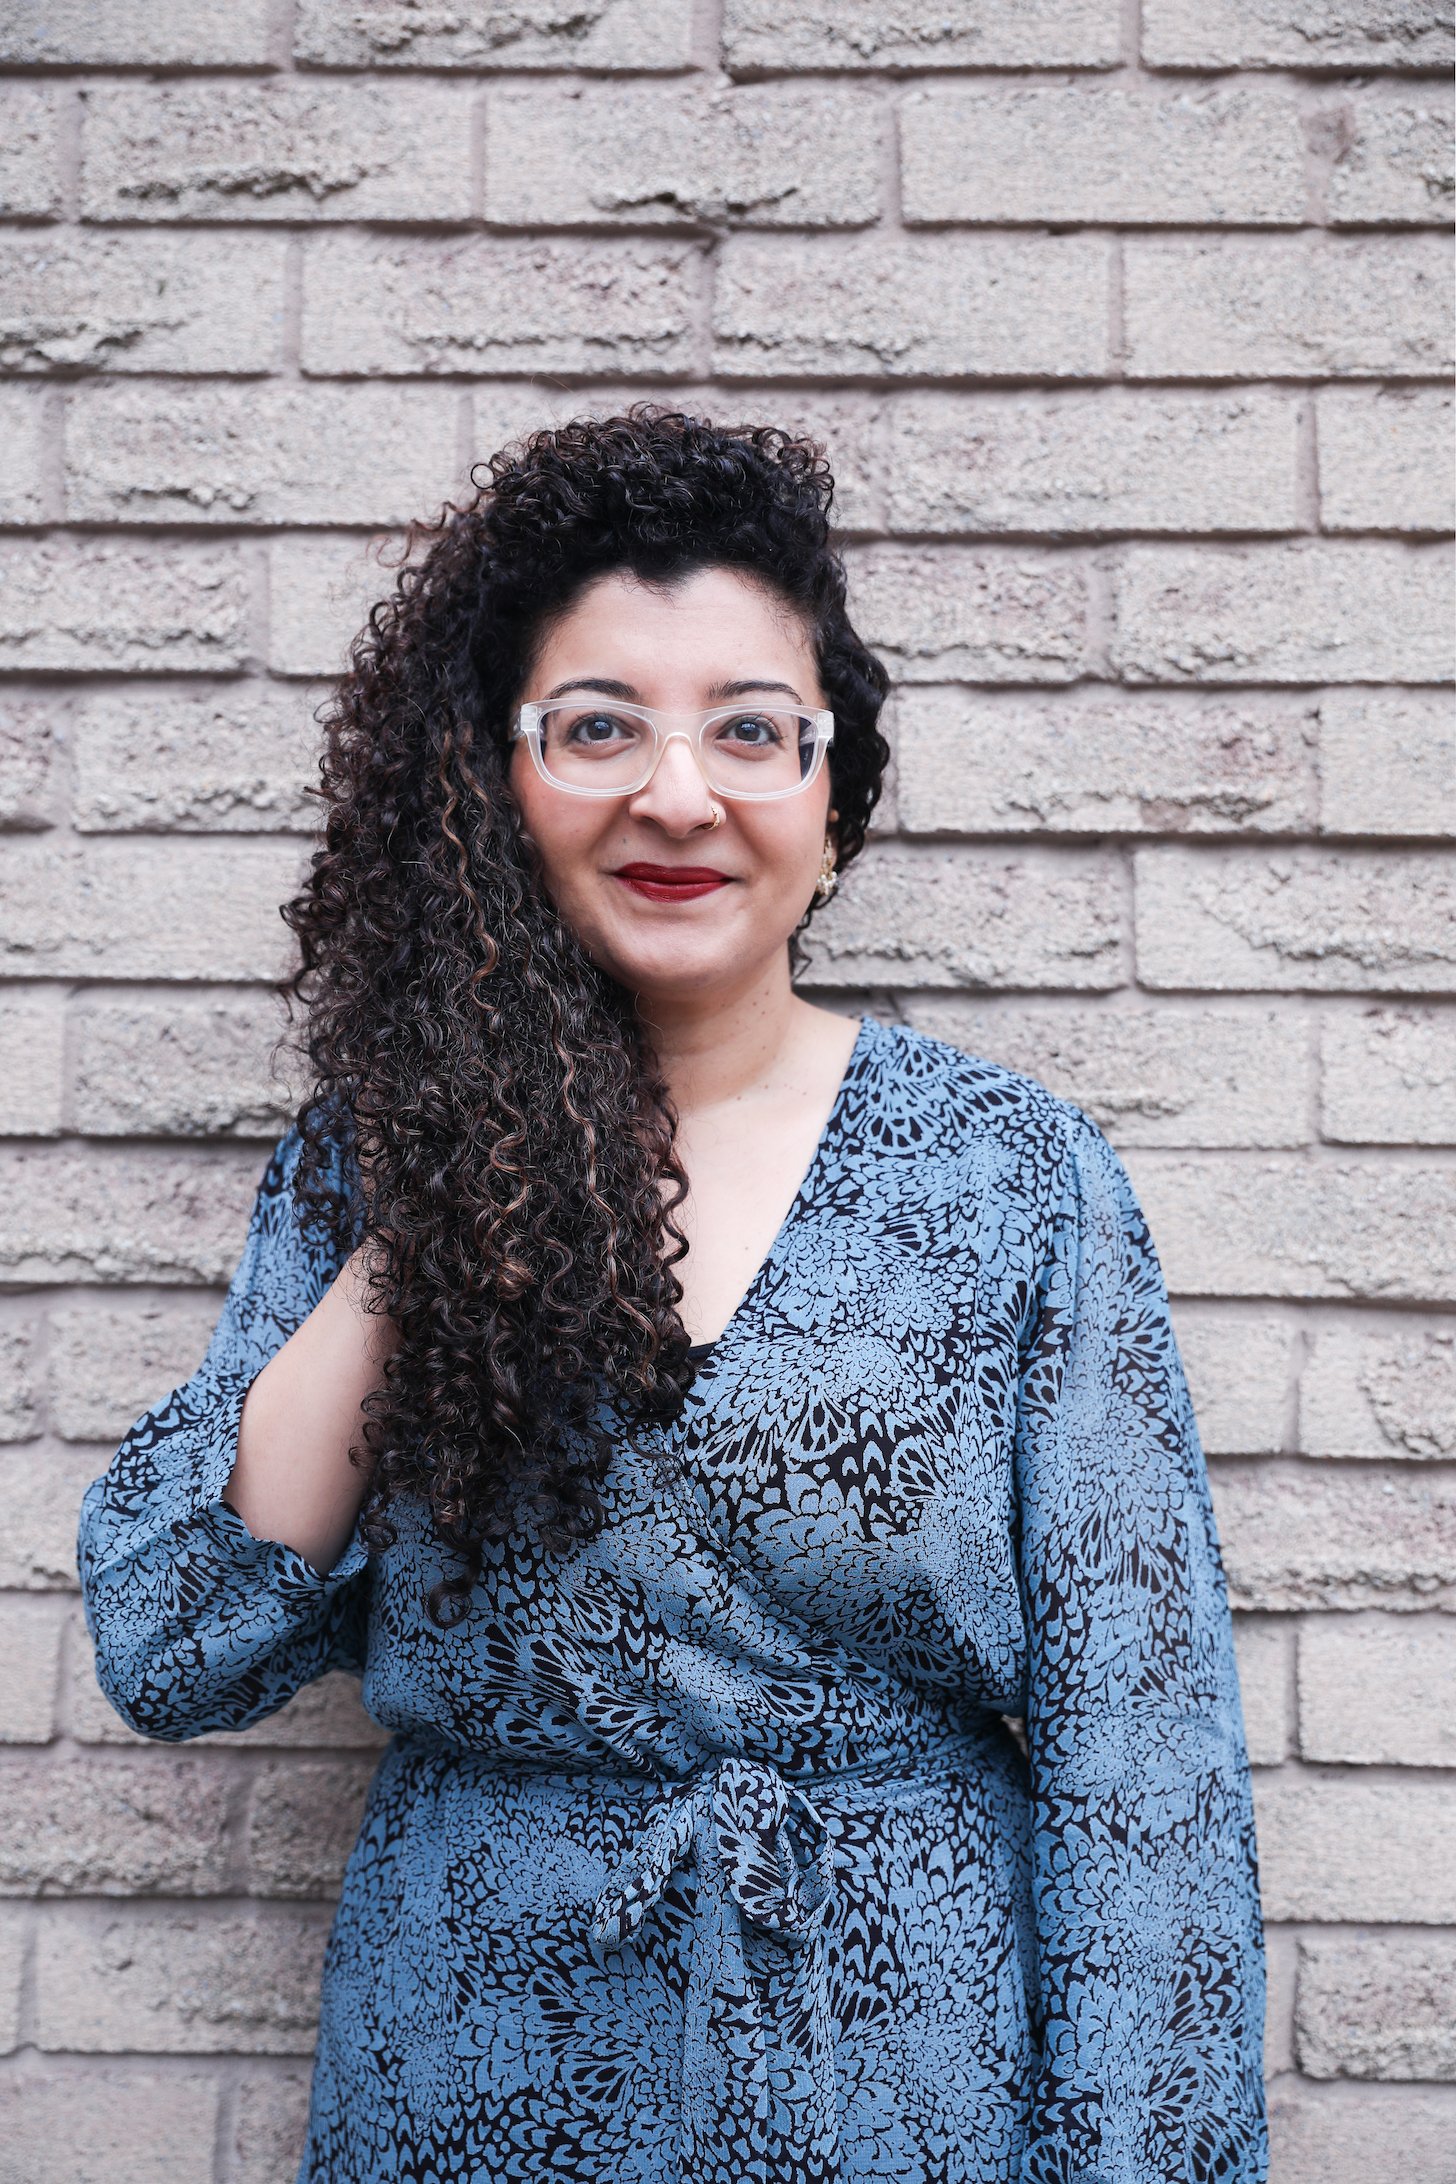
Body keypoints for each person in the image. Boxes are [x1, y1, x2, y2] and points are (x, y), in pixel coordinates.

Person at [77, 408, 1268, 2183]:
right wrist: (455, 1174)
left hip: (900, 2082)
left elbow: (1144, 1769)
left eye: (752, 732)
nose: (680, 794)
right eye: (599, 729)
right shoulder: (365, 1167)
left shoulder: (1012, 1179)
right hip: (471, 2059)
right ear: (498, 788)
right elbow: (178, 1641)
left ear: (833, 798)